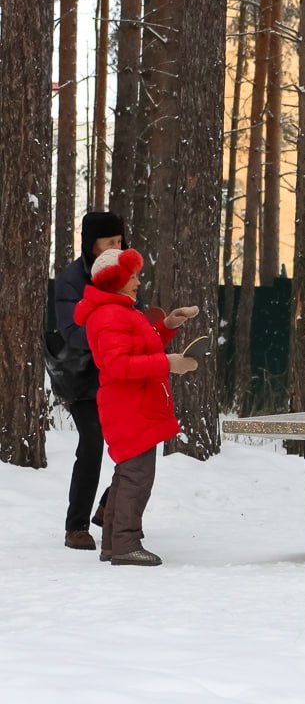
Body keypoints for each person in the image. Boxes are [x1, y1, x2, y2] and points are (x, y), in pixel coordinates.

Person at [72, 248, 200, 566]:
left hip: (135, 405)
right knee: (136, 476)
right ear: (115, 280)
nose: (138, 282)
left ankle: (114, 545)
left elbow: (142, 345)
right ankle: (126, 544)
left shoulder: (122, 310)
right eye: (133, 276)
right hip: (129, 407)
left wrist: (169, 324)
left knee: (127, 474)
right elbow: (117, 365)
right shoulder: (110, 315)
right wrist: (167, 363)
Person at [52, 211, 126, 551]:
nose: (117, 247)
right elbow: (70, 331)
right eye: (109, 242)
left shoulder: (124, 270)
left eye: (119, 241)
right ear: (91, 244)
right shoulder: (71, 278)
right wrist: (108, 337)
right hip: (80, 374)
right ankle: (76, 526)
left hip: (117, 372)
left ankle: (109, 503)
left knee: (136, 441)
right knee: (93, 443)